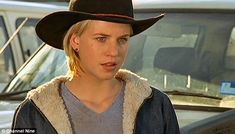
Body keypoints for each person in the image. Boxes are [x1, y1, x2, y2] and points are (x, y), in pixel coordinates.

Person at [11, 0, 180, 133]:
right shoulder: (33, 113)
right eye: (101, 38)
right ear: (75, 41)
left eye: (122, 39)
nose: (113, 52)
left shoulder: (156, 106)